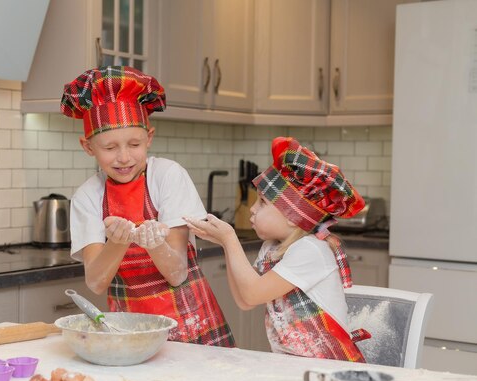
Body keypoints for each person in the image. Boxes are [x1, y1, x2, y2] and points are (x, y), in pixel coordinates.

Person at [60, 66, 235, 347]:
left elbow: (177, 273)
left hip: (191, 327)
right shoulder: (87, 197)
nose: (124, 157)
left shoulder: (168, 176)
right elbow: (95, 282)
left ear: (149, 138)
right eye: (109, 148)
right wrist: (117, 243)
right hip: (129, 332)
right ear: (88, 146)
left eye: (134, 144)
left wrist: (154, 243)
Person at [186, 137, 370, 362]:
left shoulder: (311, 250)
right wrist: (226, 244)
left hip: (330, 369)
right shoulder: (271, 249)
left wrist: (230, 238)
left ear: (293, 217)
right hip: (294, 365)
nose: (252, 209)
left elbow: (252, 293)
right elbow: (246, 300)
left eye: (262, 202)